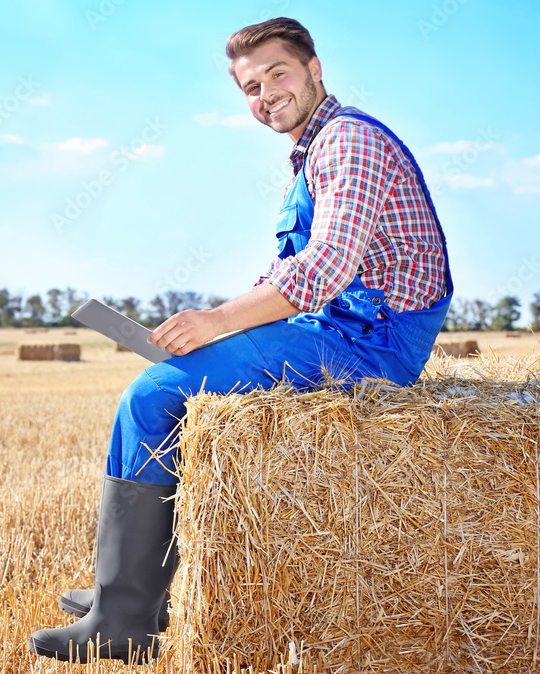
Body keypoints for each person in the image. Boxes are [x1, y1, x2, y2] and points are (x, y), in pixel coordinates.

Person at [29, 16, 453, 664]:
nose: (265, 95)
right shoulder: (315, 152)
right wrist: (208, 328)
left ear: (314, 69)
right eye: (250, 87)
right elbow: (287, 273)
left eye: (276, 74)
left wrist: (219, 321)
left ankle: (124, 620)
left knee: (152, 396)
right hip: (335, 326)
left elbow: (324, 269)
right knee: (172, 381)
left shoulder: (348, 142)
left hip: (370, 340)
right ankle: (132, 590)